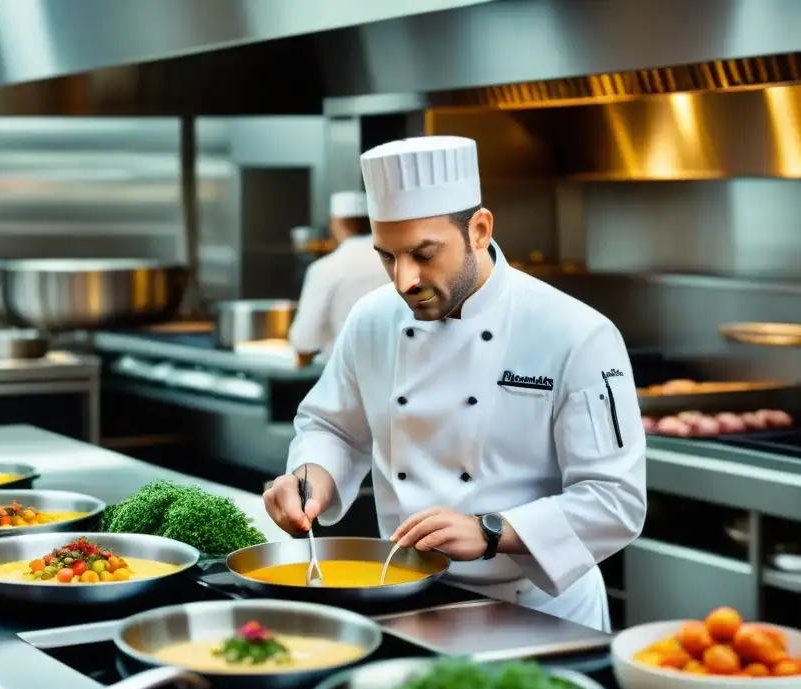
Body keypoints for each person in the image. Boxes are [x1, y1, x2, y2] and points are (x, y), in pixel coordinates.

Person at [263, 136, 646, 631]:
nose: (404, 280)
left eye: (424, 254)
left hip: (537, 612)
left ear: (480, 230)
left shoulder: (576, 332)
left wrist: (491, 530)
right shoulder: (373, 318)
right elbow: (333, 427)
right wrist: (309, 482)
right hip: (406, 599)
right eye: (388, 257)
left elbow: (616, 500)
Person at [287, 191, 389, 366]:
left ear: (337, 223)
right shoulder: (396, 261)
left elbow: (304, 341)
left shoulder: (327, 268)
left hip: (348, 375)